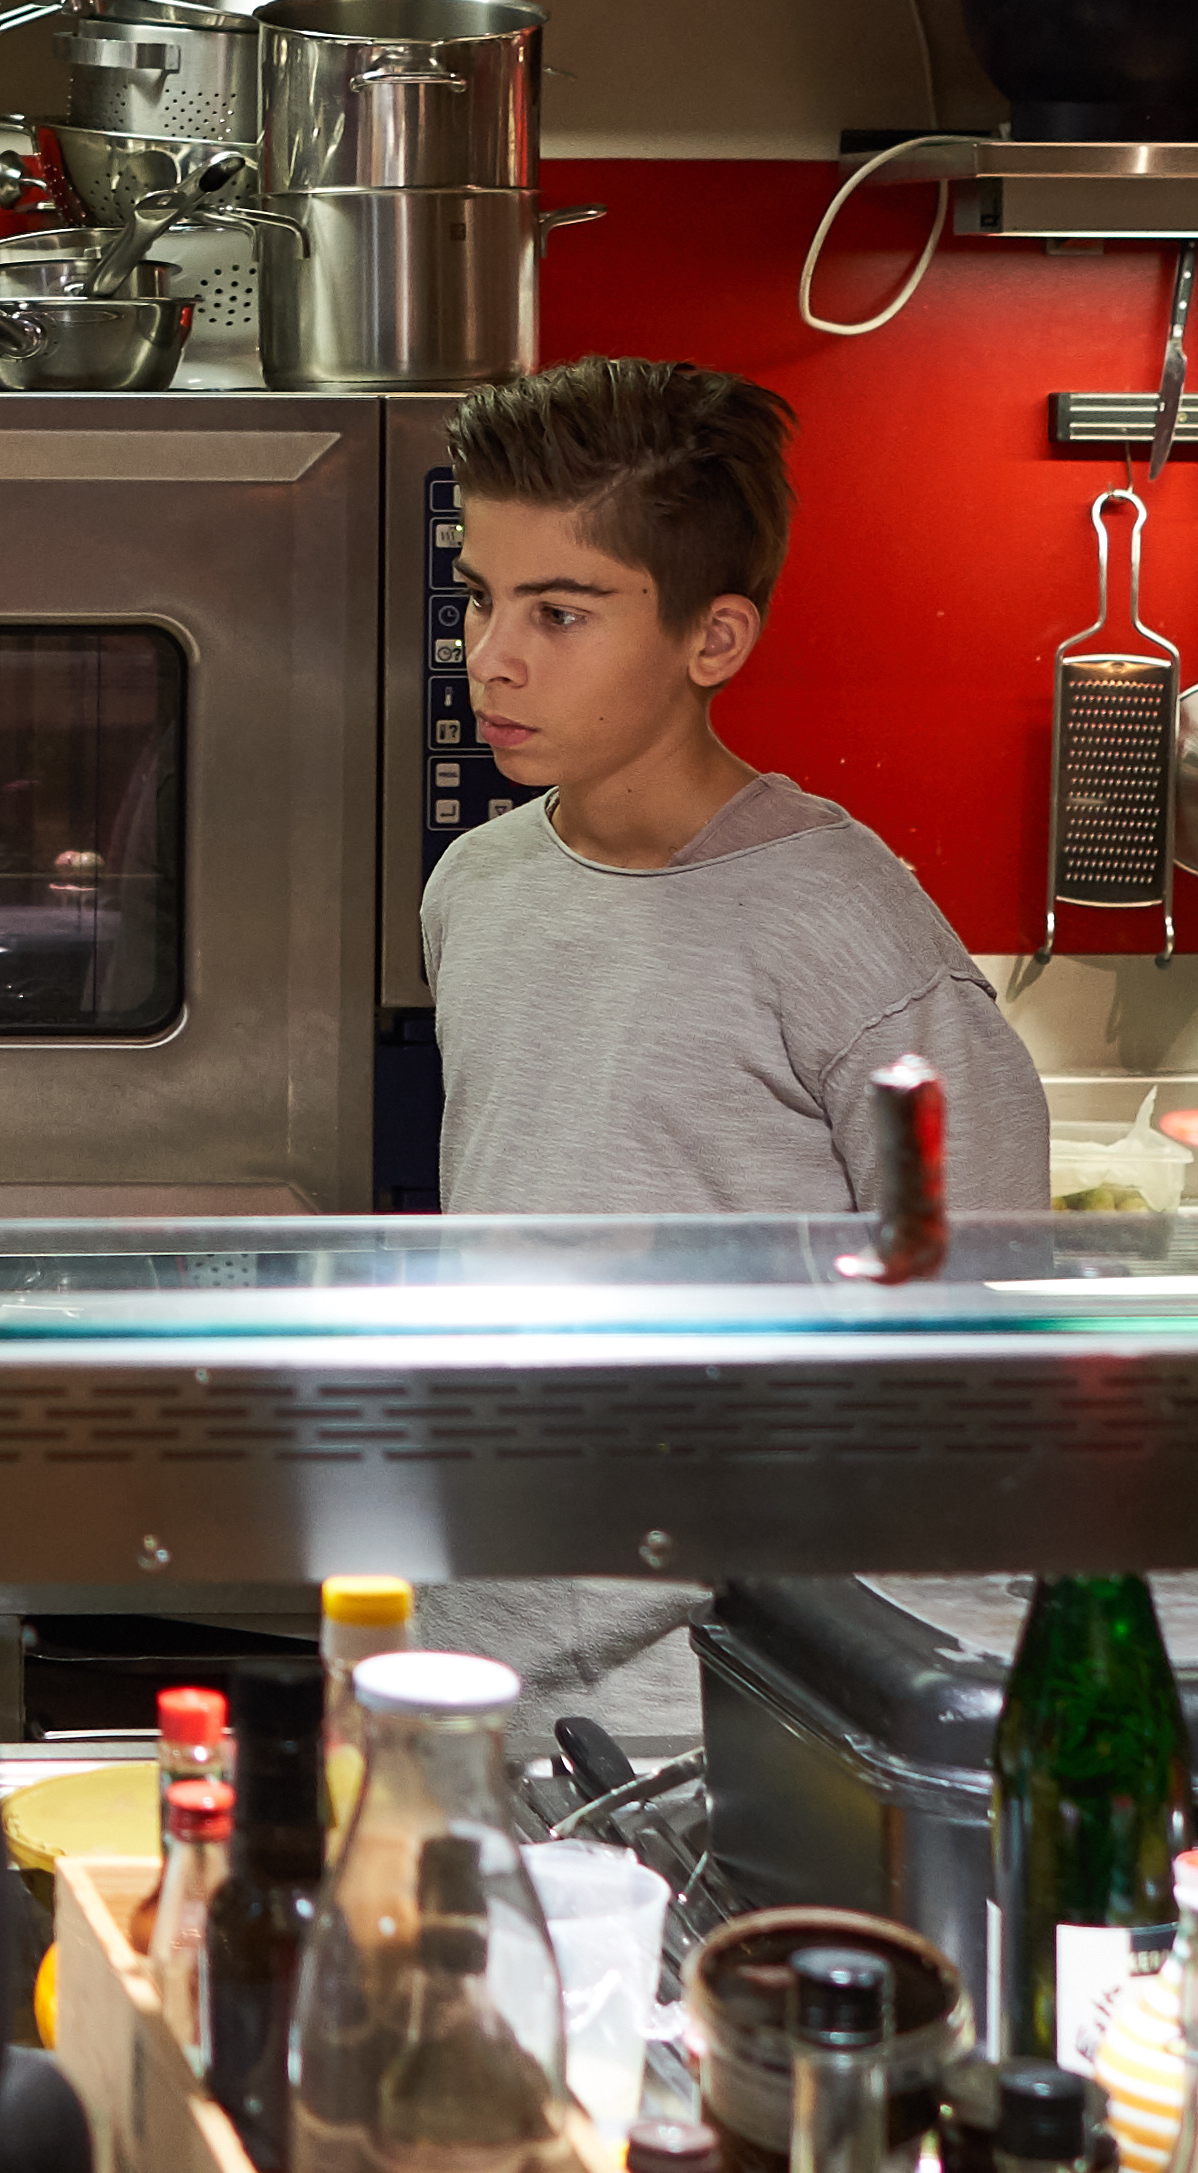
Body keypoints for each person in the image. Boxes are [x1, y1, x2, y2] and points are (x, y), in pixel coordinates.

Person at [411, 354, 1048, 1734]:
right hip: (468, 1657)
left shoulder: (855, 943)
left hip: (713, 1702)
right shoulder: (477, 886)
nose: (495, 655)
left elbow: (977, 1365)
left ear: (716, 640)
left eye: (561, 611)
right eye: (481, 599)